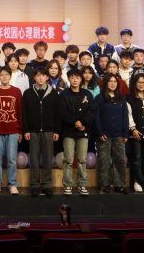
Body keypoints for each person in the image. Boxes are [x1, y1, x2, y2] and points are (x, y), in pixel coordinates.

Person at [22, 67, 60, 197]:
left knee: (48, 160)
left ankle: (47, 185)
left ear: (47, 77)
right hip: (33, 131)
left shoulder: (53, 93)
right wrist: (26, 130)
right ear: (34, 77)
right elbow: (24, 113)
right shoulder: (28, 93)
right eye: (38, 75)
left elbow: (57, 113)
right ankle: (34, 185)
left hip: (49, 131)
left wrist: (56, 130)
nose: (40, 78)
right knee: (34, 159)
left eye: (43, 75)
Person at [60, 68, 96, 196]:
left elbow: (91, 111)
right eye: (72, 77)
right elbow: (62, 112)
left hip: (83, 130)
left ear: (81, 79)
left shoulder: (87, 94)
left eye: (77, 77)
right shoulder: (63, 94)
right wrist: (75, 122)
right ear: (68, 79)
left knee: (82, 159)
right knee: (68, 159)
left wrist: (83, 122)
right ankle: (67, 184)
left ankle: (82, 184)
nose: (75, 80)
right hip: (68, 131)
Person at [0, 66, 23, 195]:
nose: (4, 77)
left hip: (13, 130)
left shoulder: (16, 91)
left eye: (6, 74)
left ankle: (12, 184)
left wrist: (20, 130)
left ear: (10, 76)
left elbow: (19, 112)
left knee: (12, 159)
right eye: (2, 74)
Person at [95, 73, 129, 194]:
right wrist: (99, 132)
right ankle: (104, 184)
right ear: (105, 83)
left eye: (115, 81)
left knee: (119, 160)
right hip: (104, 135)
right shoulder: (99, 98)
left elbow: (125, 116)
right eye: (110, 81)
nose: (113, 84)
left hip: (119, 134)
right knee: (104, 161)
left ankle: (120, 185)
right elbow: (96, 117)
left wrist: (125, 133)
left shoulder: (122, 98)